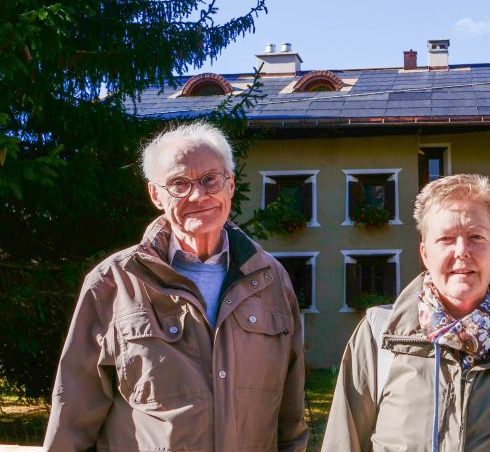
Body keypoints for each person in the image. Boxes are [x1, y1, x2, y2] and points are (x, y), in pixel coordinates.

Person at [43, 122, 308, 452]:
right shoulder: (114, 282)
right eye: (179, 184)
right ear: (156, 194)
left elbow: (291, 417)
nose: (199, 195)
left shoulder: (271, 278)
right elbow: (74, 414)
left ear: (230, 185)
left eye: (211, 180)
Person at [321, 174, 490, 452]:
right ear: (425, 254)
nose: (462, 251)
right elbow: (343, 442)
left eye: (476, 237)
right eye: (446, 239)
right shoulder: (379, 335)